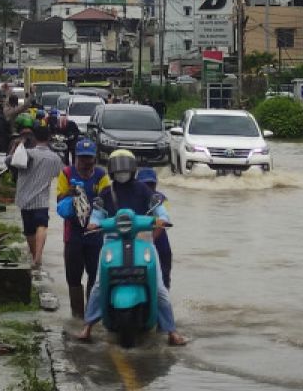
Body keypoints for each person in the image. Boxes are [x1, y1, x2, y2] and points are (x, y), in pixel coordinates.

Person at [75, 150, 187, 346]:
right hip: (112, 242)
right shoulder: (106, 193)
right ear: (111, 170)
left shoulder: (144, 190)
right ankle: (88, 327)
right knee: (99, 285)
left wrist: (162, 219)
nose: (122, 171)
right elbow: (97, 214)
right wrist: (93, 223)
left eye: (125, 167)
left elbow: (159, 208)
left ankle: (171, 331)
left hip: (143, 240)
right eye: (118, 168)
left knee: (160, 288)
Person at [55, 139, 109, 318]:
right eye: (82, 158)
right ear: (75, 157)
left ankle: (91, 315)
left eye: (89, 158)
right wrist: (70, 193)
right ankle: (77, 316)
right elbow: (59, 200)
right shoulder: (66, 173)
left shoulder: (101, 176)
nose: (86, 162)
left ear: (94, 159)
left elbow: (106, 200)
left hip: (94, 234)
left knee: (94, 276)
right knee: (74, 276)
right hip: (73, 234)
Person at [10, 123, 64, 272]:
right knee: (42, 226)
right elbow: (59, 174)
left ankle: (34, 255)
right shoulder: (54, 157)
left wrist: (17, 147)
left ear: (34, 137)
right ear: (48, 138)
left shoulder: (26, 154)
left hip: (24, 198)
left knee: (29, 231)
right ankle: (38, 256)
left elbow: (9, 161)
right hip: (41, 199)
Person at [136, 167, 173, 289]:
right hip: (137, 238)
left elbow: (164, 221)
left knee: (164, 272)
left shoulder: (162, 199)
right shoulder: (133, 199)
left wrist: (150, 239)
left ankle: (165, 295)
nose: (148, 188)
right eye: (145, 184)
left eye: (151, 184)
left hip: (158, 237)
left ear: (155, 184)